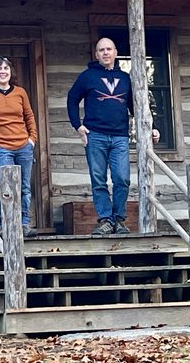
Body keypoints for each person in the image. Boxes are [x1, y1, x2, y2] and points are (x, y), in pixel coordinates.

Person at [66, 37, 159, 236]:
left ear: (116, 52)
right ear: (97, 54)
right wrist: (78, 126)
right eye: (101, 50)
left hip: (120, 137)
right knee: (98, 180)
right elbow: (72, 99)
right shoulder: (87, 76)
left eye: (109, 49)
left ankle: (119, 219)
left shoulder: (125, 78)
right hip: (95, 135)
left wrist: (153, 127)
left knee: (122, 178)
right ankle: (106, 220)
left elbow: (137, 107)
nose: (105, 53)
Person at [0, 56, 39, 238]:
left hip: (23, 145)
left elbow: (29, 116)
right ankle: (4, 224)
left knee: (24, 187)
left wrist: (32, 139)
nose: (3, 71)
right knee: (5, 187)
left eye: (6, 68)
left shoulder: (20, 92)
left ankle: (23, 224)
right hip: (1, 148)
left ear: (11, 72)